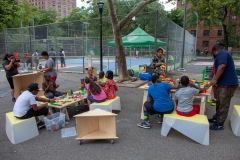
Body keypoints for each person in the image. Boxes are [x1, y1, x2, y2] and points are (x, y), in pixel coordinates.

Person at [208, 44, 239, 130]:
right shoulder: (222, 54)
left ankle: (220, 123)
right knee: (219, 102)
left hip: (228, 84)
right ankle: (216, 117)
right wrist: (213, 80)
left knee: (223, 104)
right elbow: (218, 69)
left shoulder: (221, 53)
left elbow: (222, 66)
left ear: (214, 51)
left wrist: (215, 79)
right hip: (223, 84)